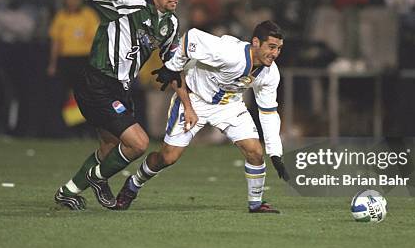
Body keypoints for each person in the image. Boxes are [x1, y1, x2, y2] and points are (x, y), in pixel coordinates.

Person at [27, 0, 197, 210]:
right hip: (97, 81)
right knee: (138, 143)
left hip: (120, 88)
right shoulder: (130, 2)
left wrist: (188, 105)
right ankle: (97, 178)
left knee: (110, 147)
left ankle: (67, 192)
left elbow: (173, 66)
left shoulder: (170, 25)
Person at [115, 20, 290, 213]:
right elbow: (192, 37)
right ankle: (134, 183)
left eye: (279, 49)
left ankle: (256, 204)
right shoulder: (229, 53)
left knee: (255, 151)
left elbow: (268, 112)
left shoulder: (271, 74)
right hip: (194, 99)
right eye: (271, 47)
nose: (275, 54)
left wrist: (275, 153)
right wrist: (173, 66)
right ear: (256, 42)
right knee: (168, 157)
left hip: (229, 106)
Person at [47, 0, 99, 134]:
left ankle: (84, 130)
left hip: (83, 59)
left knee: (84, 95)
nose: (73, 1)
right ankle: (64, 129)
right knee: (62, 94)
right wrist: (53, 64)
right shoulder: (61, 16)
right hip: (66, 60)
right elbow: (56, 42)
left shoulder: (88, 15)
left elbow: (96, 40)